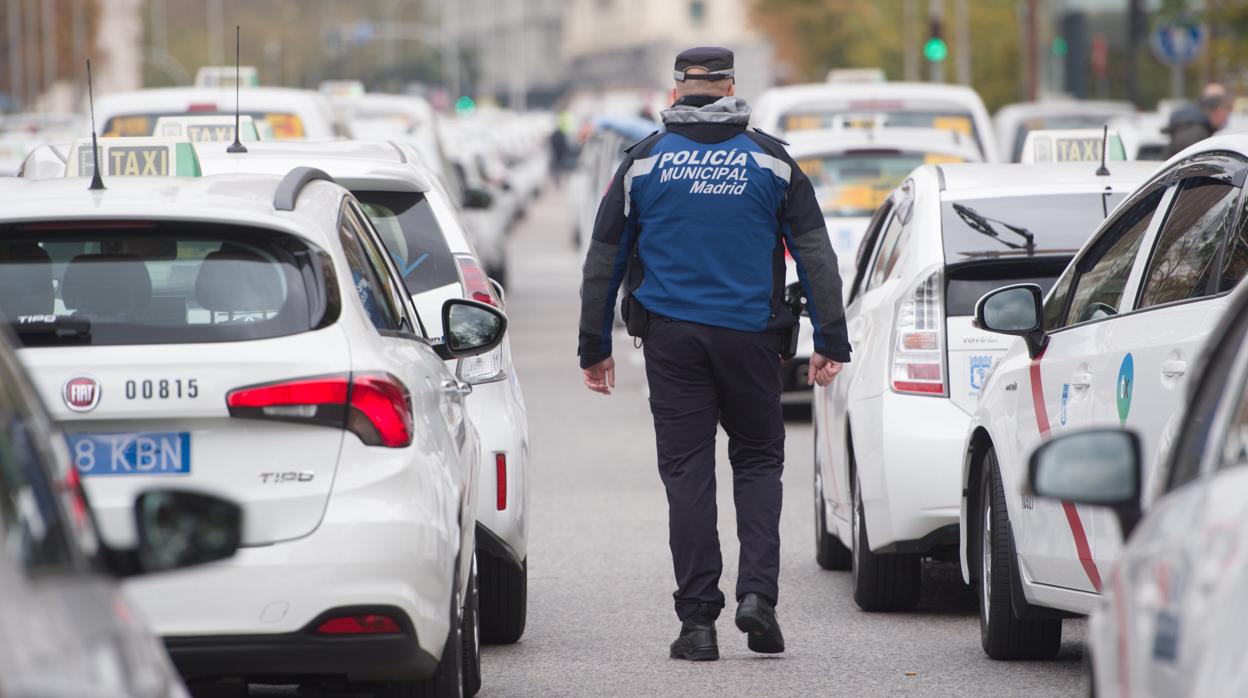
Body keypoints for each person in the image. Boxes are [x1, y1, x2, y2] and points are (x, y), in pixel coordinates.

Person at [577, 46, 851, 661]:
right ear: (731, 87)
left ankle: (698, 623)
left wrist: (594, 347)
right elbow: (816, 257)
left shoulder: (642, 165)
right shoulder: (773, 163)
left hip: (673, 341)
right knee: (756, 464)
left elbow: (603, 263)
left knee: (688, 474)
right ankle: (758, 598)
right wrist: (830, 342)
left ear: (676, 92)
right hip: (753, 339)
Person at [1165, 83, 1234, 158]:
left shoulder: (1194, 128)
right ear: (1220, 110)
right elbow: (1194, 166)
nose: (1227, 117)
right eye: (1228, 110)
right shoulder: (1194, 134)